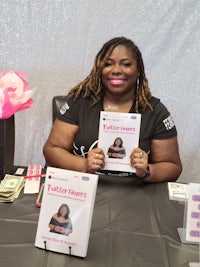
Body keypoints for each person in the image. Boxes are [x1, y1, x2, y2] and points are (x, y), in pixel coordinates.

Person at [43, 36, 182, 183]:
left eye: (126, 64)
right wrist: (84, 164)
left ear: (138, 70)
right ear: (99, 69)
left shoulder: (155, 111)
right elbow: (52, 150)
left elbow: (173, 167)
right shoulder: (79, 102)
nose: (116, 70)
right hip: (83, 190)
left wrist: (146, 170)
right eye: (108, 64)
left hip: (134, 195)